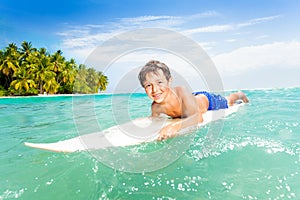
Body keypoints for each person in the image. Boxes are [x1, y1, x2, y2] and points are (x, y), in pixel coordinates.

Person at [138, 60, 249, 141]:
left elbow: (198, 117)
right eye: (148, 85)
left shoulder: (181, 91)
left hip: (208, 101)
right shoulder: (155, 107)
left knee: (228, 102)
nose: (155, 89)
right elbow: (155, 120)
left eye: (159, 82)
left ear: (169, 81)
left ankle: (239, 94)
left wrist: (174, 127)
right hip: (192, 99)